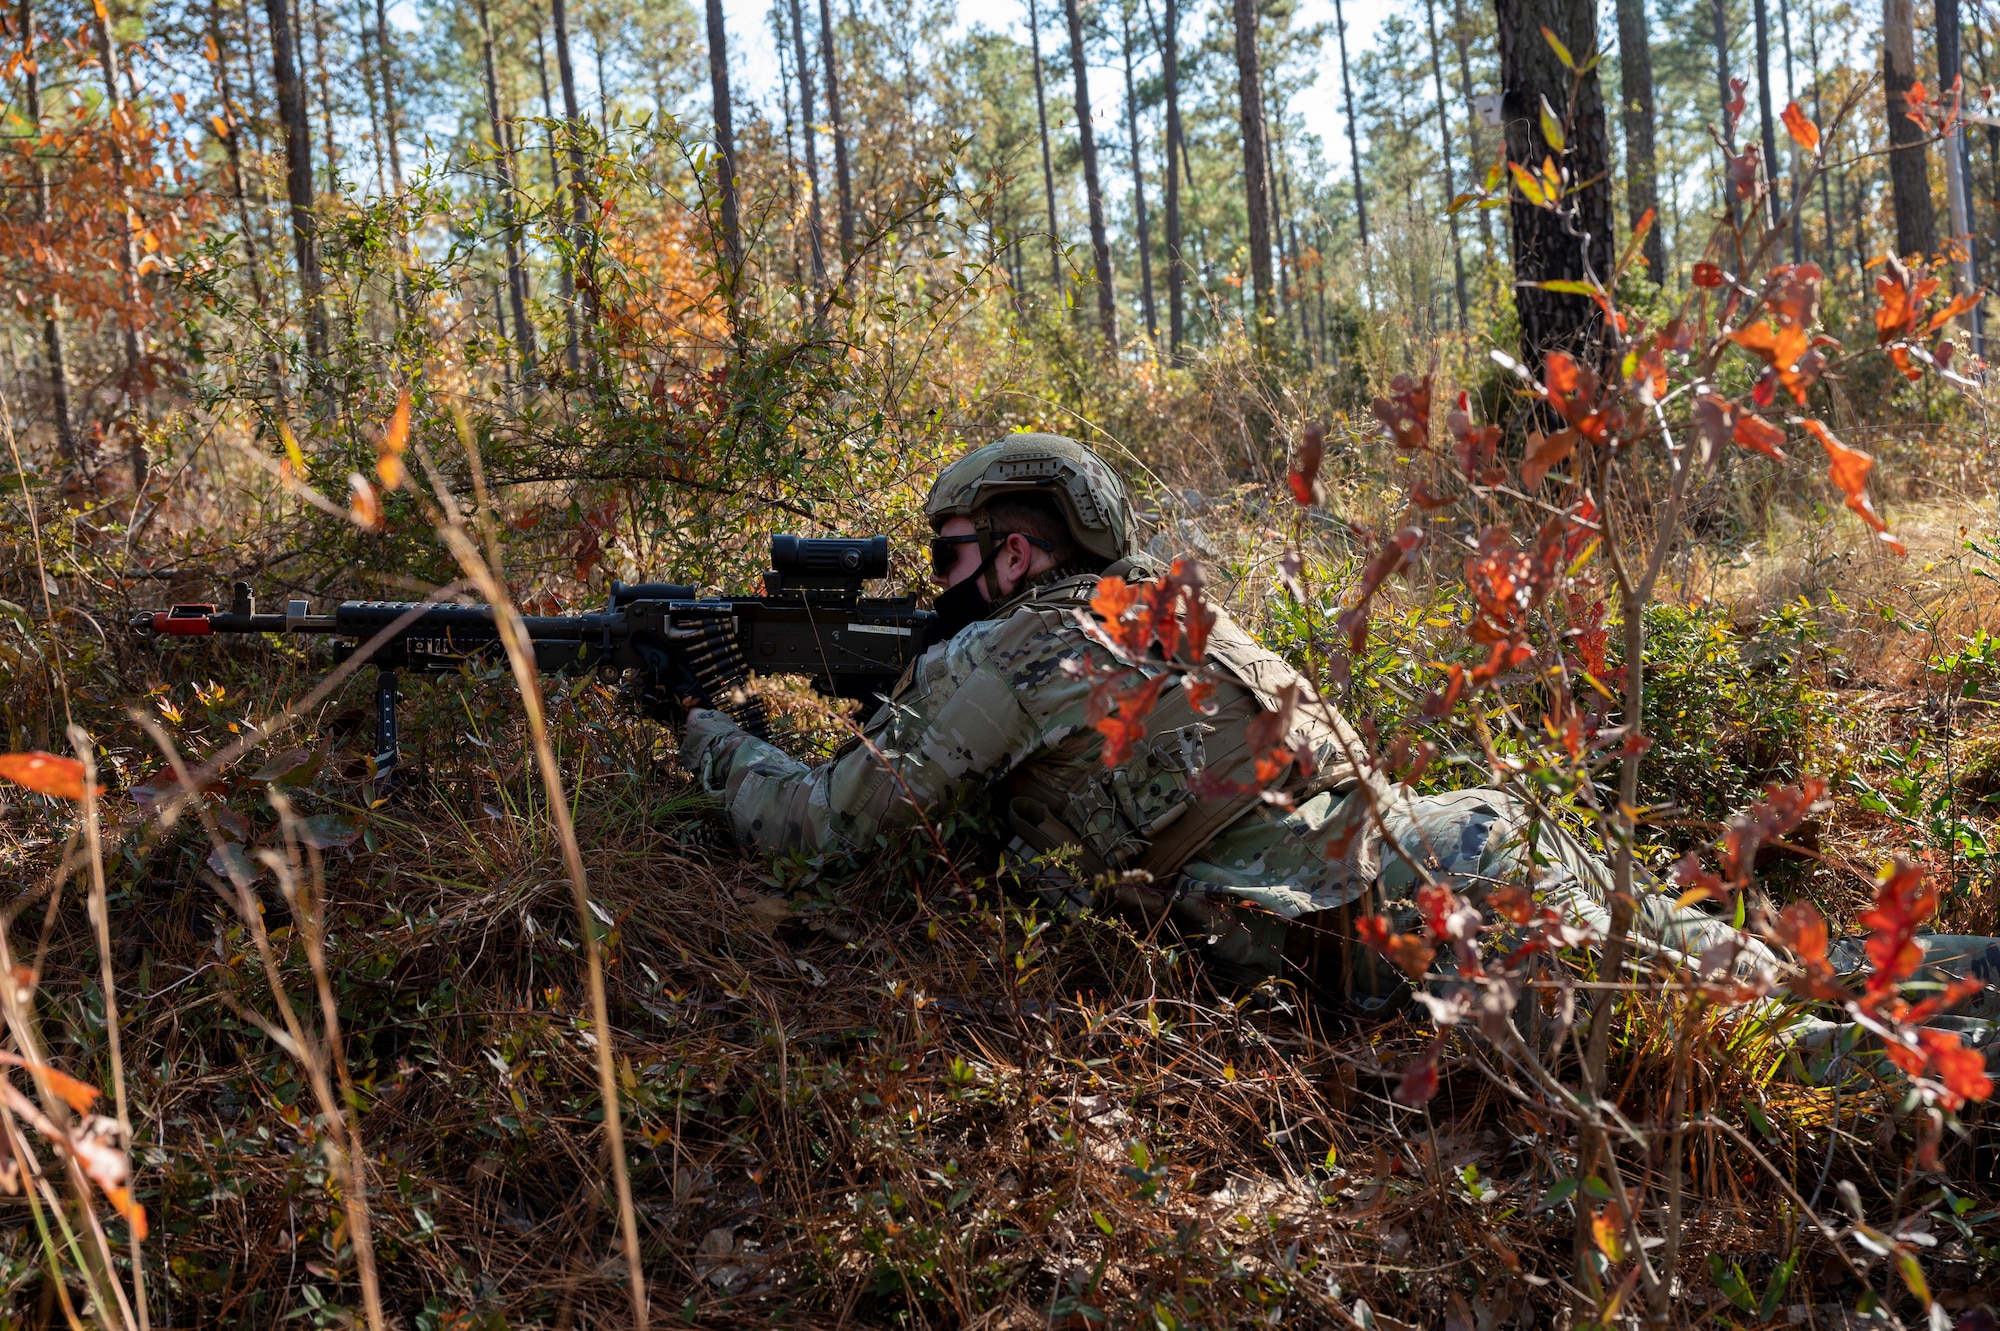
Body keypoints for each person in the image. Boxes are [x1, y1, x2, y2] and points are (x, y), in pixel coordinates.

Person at [681, 433, 2000, 1034]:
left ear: (1016, 548)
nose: (939, 576)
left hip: (1400, 923)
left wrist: (712, 730)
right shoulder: (1167, 615)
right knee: (1782, 969)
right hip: (1461, 841)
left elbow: (816, 833)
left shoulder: (1007, 647)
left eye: (953, 550)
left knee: (1795, 1052)